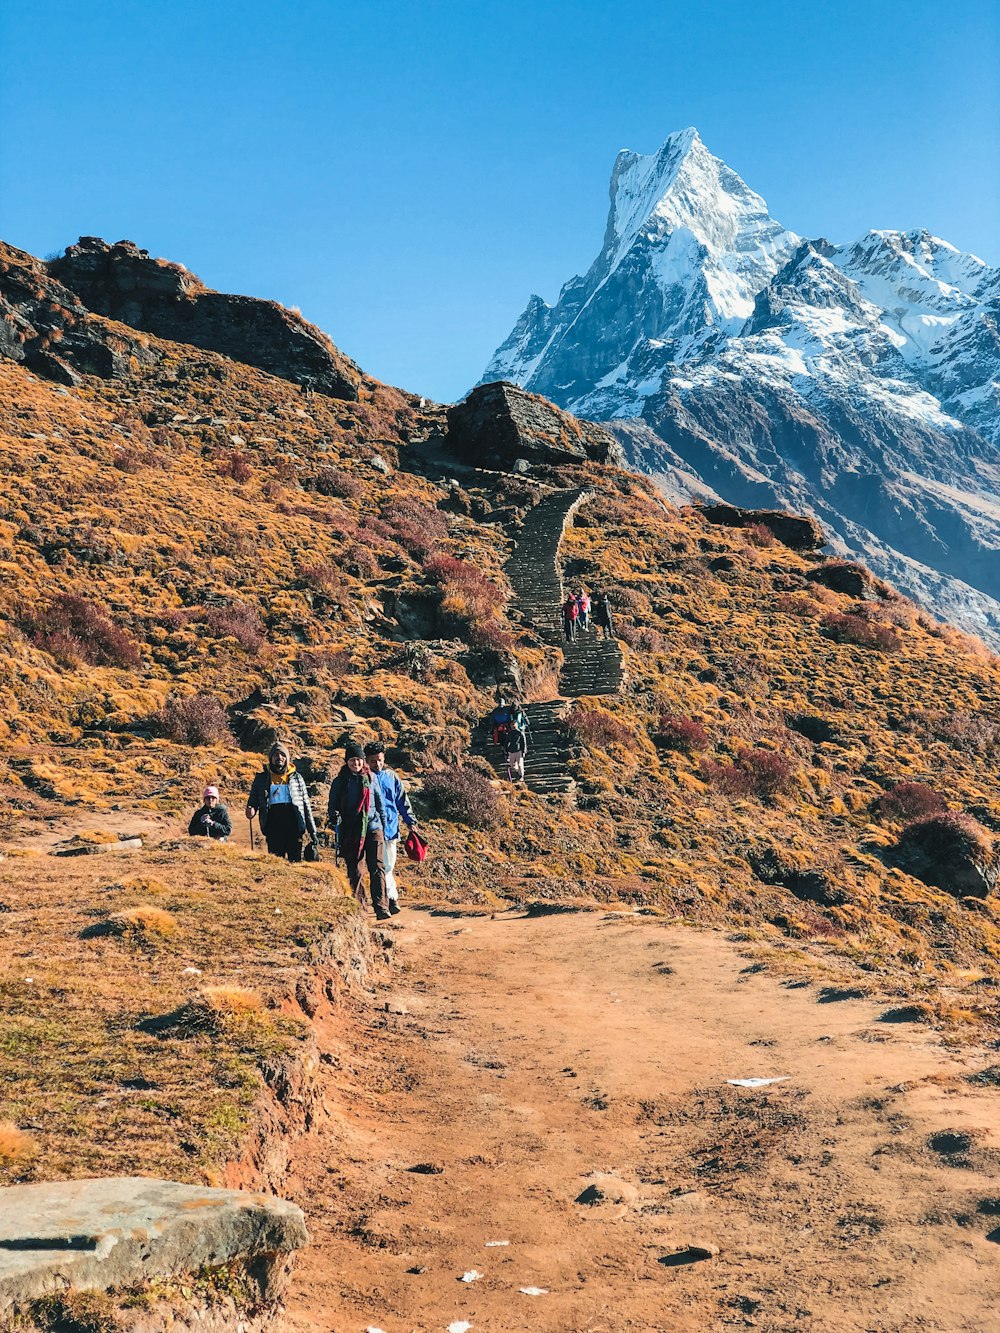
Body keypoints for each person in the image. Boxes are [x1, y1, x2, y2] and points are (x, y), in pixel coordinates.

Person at [328, 741, 390, 920]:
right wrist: (334, 817)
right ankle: (360, 907)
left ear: (363, 761)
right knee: (355, 869)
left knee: (377, 866)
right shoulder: (340, 781)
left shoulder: (371, 778)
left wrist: (383, 827)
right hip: (351, 830)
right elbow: (332, 805)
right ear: (347, 762)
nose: (356, 763)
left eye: (358, 760)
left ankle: (381, 906)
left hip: (373, 827)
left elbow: (380, 804)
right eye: (352, 760)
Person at [364, 741, 418, 916]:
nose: (377, 764)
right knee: (384, 867)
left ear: (383, 758)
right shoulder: (364, 778)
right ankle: (391, 899)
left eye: (379, 760)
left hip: (392, 829)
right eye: (373, 761)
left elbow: (402, 801)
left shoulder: (391, 777)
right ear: (367, 760)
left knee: (388, 866)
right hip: (373, 829)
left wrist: (410, 820)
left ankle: (389, 899)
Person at [245, 742, 317, 862]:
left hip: (294, 827)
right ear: (270, 758)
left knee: (295, 863)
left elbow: (306, 806)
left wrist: (312, 831)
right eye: (276, 755)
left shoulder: (297, 778)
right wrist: (251, 810)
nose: (279, 758)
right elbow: (253, 801)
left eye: (282, 755)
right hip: (273, 828)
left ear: (287, 758)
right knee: (275, 863)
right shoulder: (262, 779)